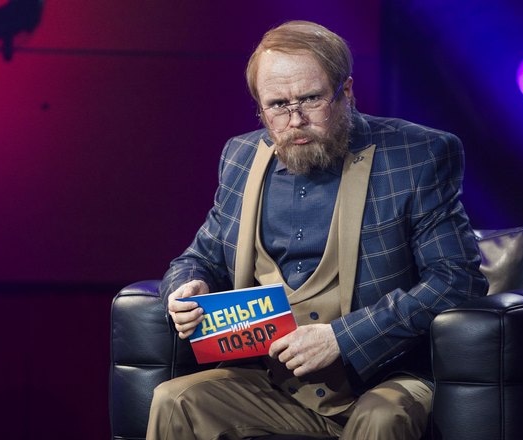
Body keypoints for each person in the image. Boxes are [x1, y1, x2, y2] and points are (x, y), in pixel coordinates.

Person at [146, 20, 488, 440]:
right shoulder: (241, 157)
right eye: (277, 105)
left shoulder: (418, 154)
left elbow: (457, 280)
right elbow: (199, 258)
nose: (295, 120)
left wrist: (342, 338)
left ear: (346, 92)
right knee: (176, 400)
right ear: (260, 108)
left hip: (382, 378)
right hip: (273, 384)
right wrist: (186, 287)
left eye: (310, 99)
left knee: (382, 417)